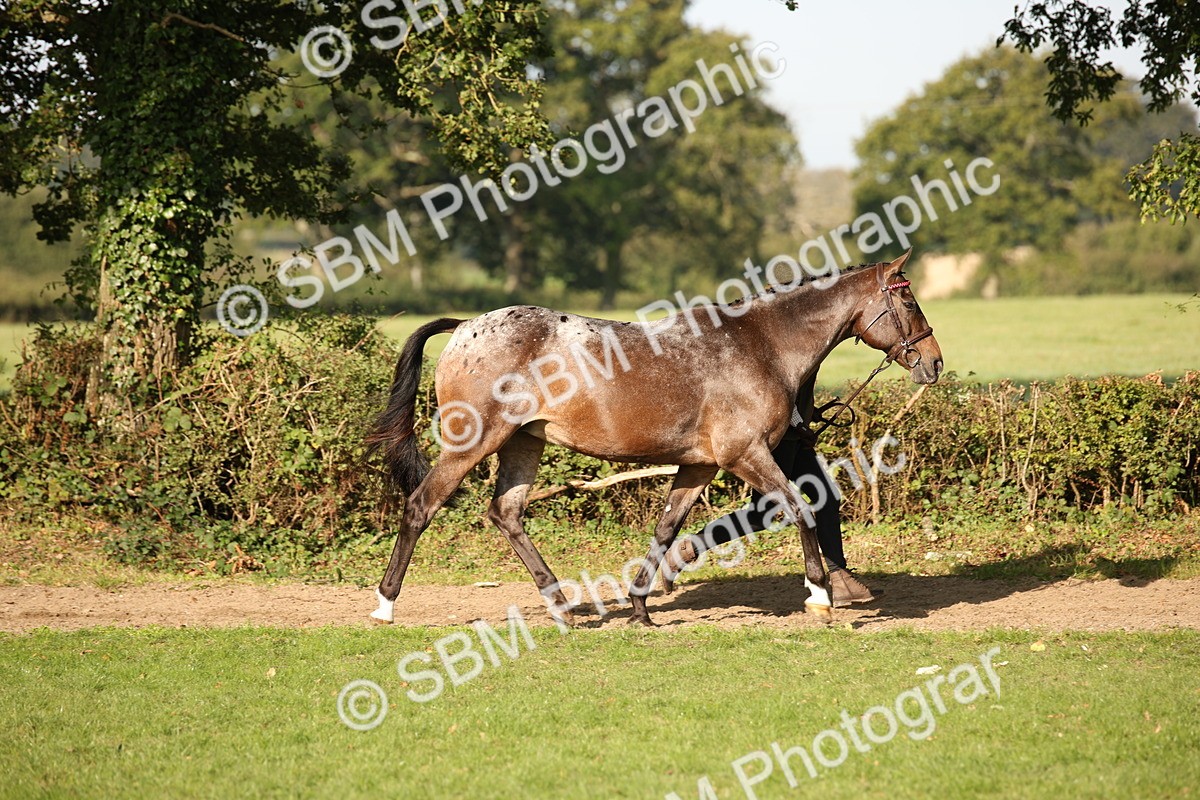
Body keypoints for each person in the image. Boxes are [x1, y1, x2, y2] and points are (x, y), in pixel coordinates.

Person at [661, 375, 878, 606]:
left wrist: (809, 413)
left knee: (825, 498)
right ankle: (689, 548)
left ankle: (840, 577)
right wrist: (799, 424)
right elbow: (778, 385)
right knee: (761, 515)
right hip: (778, 440)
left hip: (793, 437)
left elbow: (796, 392)